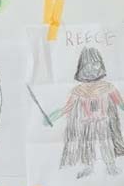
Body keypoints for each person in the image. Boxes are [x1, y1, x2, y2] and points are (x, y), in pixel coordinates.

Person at [50, 48, 124, 178]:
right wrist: (52, 117)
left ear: (101, 65)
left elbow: (120, 103)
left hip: (103, 122)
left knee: (106, 143)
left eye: (95, 64)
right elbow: (67, 107)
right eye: (87, 65)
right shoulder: (78, 90)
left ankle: (111, 166)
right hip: (86, 124)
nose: (92, 68)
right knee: (87, 146)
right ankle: (88, 167)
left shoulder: (108, 87)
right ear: (81, 68)